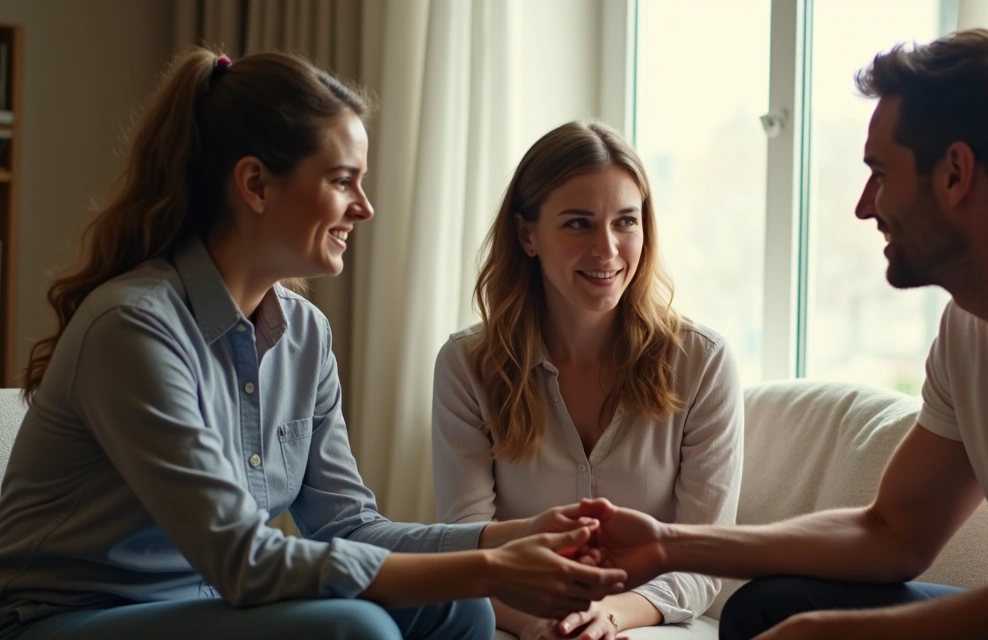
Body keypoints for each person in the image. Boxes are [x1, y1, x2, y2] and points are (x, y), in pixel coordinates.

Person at [560, 28, 988, 640]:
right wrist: (670, 544)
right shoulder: (972, 325)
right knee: (772, 603)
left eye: (880, 172)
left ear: (956, 174)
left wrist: (828, 634)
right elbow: (894, 531)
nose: (864, 205)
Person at [0, 49, 631, 640]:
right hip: (69, 616)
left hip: (204, 605)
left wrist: (513, 538)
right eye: (342, 180)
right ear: (255, 185)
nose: (365, 207)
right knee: (357, 630)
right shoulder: (133, 327)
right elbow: (244, 560)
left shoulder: (304, 334)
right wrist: (495, 569)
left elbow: (349, 526)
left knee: (456, 608)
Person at [431, 121, 744, 640]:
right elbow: (470, 547)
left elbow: (701, 558)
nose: (608, 248)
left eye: (626, 221)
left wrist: (610, 616)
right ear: (527, 235)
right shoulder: (467, 365)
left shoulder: (702, 362)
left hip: (647, 620)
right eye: (578, 223)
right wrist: (543, 627)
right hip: (512, 617)